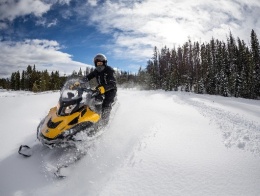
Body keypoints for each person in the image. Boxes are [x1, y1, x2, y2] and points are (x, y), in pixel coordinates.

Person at [85, 53, 117, 126]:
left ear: (104, 63)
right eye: (97, 63)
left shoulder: (109, 70)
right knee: (89, 99)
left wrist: (104, 88)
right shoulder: (96, 71)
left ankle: (104, 123)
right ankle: (90, 118)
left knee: (106, 105)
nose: (99, 65)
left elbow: (113, 83)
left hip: (110, 90)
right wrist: (79, 82)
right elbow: (87, 77)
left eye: (101, 63)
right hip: (99, 89)